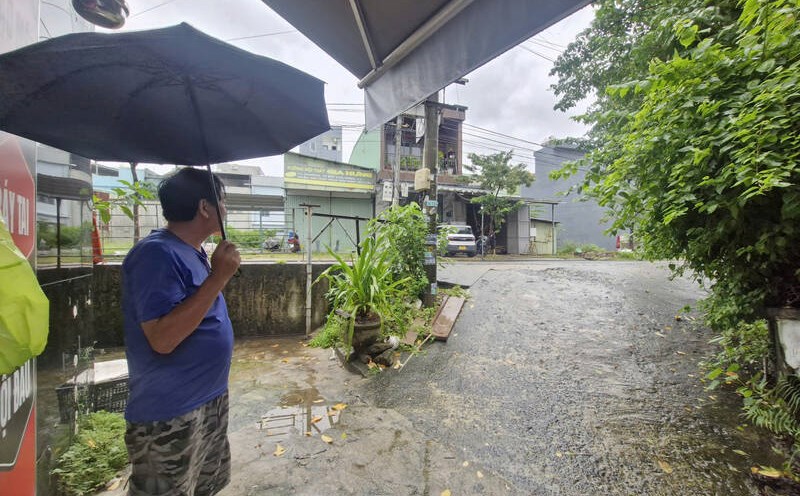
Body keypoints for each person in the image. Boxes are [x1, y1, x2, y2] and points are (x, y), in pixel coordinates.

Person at [121, 167, 240, 496]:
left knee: (204, 486)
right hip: (171, 414)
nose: (226, 209)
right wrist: (219, 278)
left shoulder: (194, 252)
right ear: (205, 207)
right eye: (223, 202)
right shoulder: (156, 255)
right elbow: (162, 338)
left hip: (208, 399)